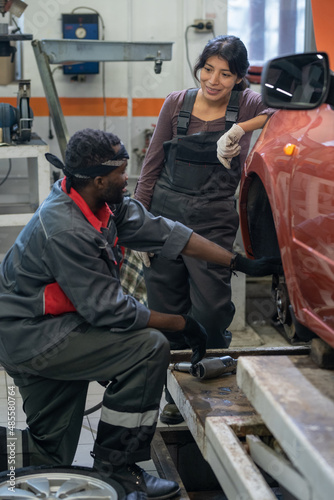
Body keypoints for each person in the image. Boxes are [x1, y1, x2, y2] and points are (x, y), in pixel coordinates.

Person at [0, 128, 281, 499]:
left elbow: (166, 233)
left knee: (54, 452)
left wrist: (239, 261)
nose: (126, 178)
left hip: (52, 327)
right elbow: (111, 311)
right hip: (32, 337)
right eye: (120, 171)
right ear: (99, 179)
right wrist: (183, 323)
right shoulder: (65, 229)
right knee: (148, 347)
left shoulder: (101, 203)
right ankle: (118, 467)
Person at [133, 35, 276, 424]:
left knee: (212, 311)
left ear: (240, 78)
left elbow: (281, 114)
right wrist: (138, 226)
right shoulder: (176, 103)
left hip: (213, 221)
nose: (213, 80)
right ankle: (173, 397)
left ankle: (209, 388)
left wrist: (239, 130)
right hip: (163, 216)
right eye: (207, 69)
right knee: (165, 313)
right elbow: (150, 169)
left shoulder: (246, 103)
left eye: (225, 73)